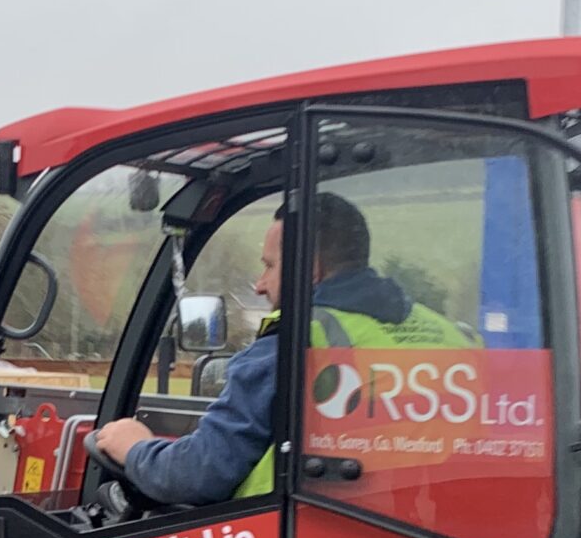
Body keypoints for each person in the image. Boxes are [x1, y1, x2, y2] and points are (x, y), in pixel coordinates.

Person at [89, 192, 469, 505]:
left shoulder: (292, 344)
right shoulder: (450, 337)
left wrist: (135, 447)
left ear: (309, 268)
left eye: (269, 266)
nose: (260, 284)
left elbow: (198, 475)